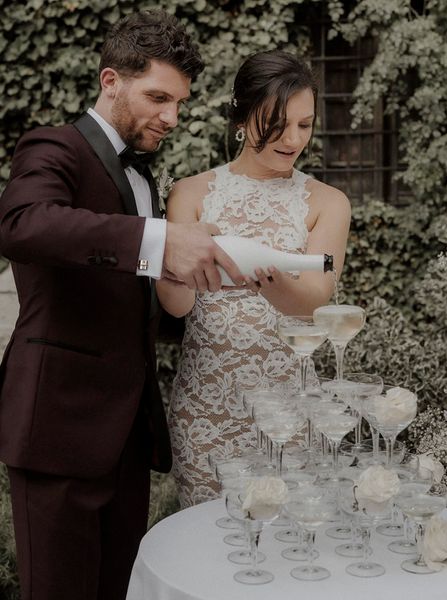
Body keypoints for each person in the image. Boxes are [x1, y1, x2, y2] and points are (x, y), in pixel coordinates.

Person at [0, 9, 242, 600]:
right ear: (111, 82)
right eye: (158, 97)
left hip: (128, 435)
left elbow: (124, 301)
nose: (172, 117)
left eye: (180, 103)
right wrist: (158, 241)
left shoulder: (146, 179)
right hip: (58, 427)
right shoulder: (53, 147)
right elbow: (22, 223)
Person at [156, 50, 351, 508]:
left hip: (290, 411)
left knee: (291, 543)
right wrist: (182, 264)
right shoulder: (188, 193)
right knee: (210, 545)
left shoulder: (328, 202)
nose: (293, 138)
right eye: (277, 124)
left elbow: (316, 305)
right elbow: (176, 306)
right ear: (242, 117)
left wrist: (263, 278)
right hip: (207, 407)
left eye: (305, 124)